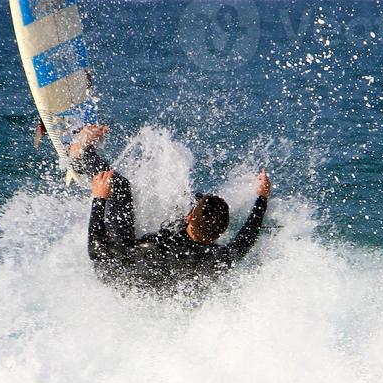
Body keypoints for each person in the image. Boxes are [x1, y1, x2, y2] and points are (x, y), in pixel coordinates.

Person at [65, 123, 271, 291]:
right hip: (154, 288)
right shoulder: (221, 257)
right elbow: (248, 236)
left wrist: (99, 199)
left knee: (120, 187)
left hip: (115, 274)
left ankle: (80, 153)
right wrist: (261, 198)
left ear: (190, 218)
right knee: (190, 197)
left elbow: (97, 253)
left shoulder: (155, 249)